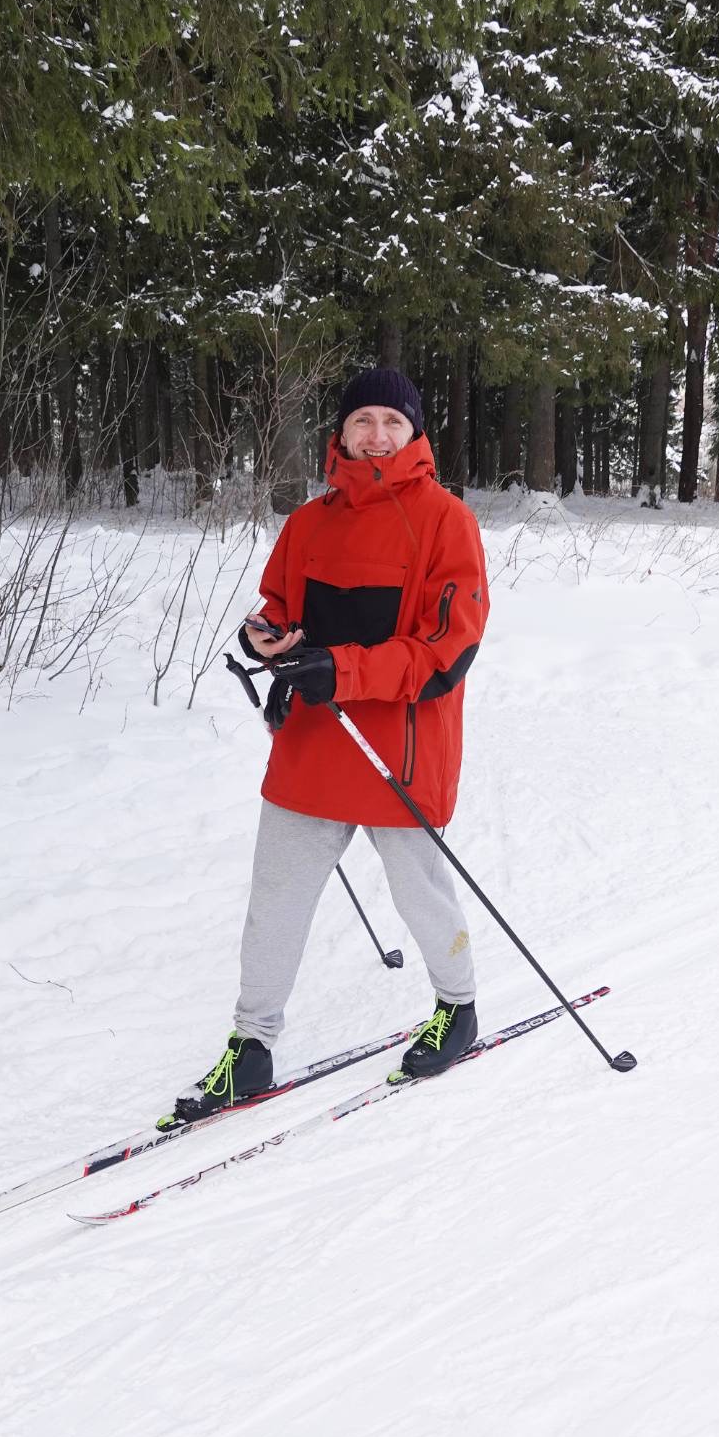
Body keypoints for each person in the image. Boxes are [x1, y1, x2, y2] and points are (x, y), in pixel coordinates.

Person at [172, 367, 491, 1121]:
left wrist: (340, 668)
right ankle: (250, 1047)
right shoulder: (308, 523)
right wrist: (265, 637)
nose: (374, 434)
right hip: (314, 739)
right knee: (275, 896)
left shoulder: (446, 521)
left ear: (414, 433)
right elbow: (277, 607)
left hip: (400, 747)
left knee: (419, 890)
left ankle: (459, 1006)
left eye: (390, 420)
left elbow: (448, 651)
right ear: (339, 434)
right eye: (361, 421)